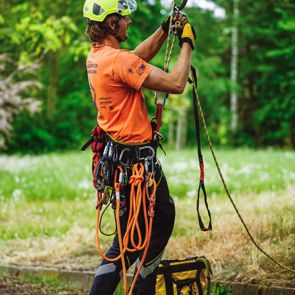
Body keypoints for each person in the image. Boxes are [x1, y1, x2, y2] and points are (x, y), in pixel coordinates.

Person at [83, 0, 196, 294]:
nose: (129, 22)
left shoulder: (100, 57)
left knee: (127, 243)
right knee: (151, 231)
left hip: (122, 165)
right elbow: (175, 83)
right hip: (135, 168)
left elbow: (134, 59)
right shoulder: (118, 62)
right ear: (111, 24)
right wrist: (187, 42)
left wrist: (163, 29)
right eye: (124, 18)